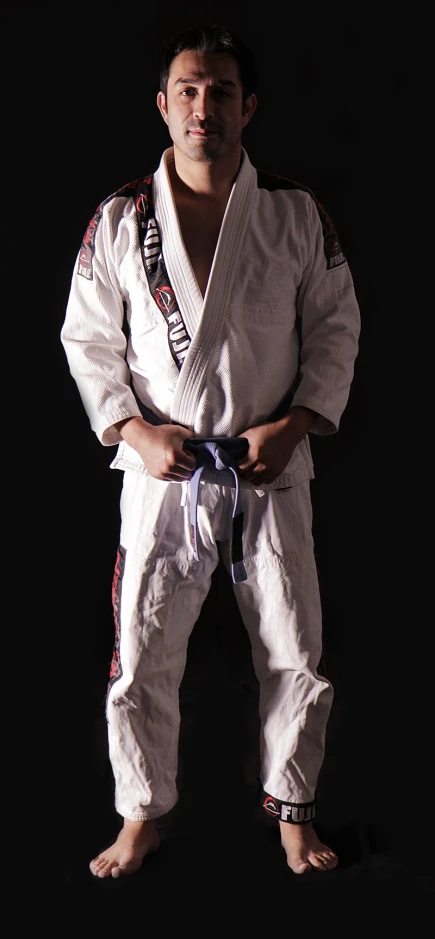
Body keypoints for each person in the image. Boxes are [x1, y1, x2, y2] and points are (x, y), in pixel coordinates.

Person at [61, 23, 360, 878]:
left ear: (248, 106)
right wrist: (132, 429)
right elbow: (88, 340)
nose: (203, 107)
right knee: (141, 652)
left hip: (270, 463)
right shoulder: (121, 218)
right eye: (188, 90)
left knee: (295, 649)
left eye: (221, 91)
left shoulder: (293, 211)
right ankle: (139, 816)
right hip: (164, 472)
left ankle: (294, 818)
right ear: (163, 104)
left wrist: (297, 422)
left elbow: (336, 327)